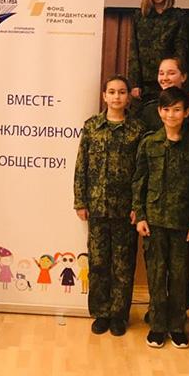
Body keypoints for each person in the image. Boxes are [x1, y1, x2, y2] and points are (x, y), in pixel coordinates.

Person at [73, 75, 148, 337]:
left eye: (122, 92)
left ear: (128, 97)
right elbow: (81, 166)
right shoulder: (92, 127)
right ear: (104, 96)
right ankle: (101, 313)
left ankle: (118, 314)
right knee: (98, 263)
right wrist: (80, 201)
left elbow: (142, 172)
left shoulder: (137, 130)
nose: (117, 97)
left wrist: (138, 206)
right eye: (112, 92)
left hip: (125, 209)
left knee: (123, 264)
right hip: (97, 206)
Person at [132, 87, 189, 349]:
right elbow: (139, 181)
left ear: (186, 112)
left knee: (179, 276)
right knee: (156, 274)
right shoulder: (149, 143)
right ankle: (157, 326)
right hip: (153, 221)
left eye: (177, 109)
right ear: (159, 112)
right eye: (166, 109)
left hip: (182, 222)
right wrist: (140, 215)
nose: (171, 114)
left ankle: (177, 326)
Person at [128, 0, 189, 103]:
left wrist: (178, 76)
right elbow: (134, 51)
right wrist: (134, 82)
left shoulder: (178, 16)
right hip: (145, 81)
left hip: (170, 79)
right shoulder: (140, 16)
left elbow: (181, 49)